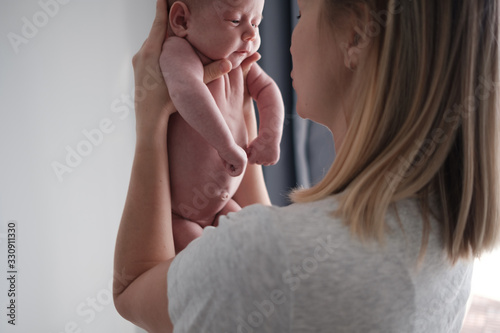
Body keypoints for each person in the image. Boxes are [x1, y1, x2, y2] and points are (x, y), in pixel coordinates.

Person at [113, 0, 500, 332]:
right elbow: (265, 263)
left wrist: (150, 122)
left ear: (357, 36)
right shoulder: (445, 235)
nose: (286, 40)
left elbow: (132, 290)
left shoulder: (272, 256)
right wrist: (243, 122)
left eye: (301, 15)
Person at [161, 0, 284, 253]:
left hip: (224, 205)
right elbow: (187, 90)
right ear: (183, 21)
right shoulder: (179, 52)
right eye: (236, 21)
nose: (251, 34)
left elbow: (268, 89)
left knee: (262, 248)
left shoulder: (239, 63)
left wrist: (270, 137)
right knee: (203, 263)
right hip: (182, 216)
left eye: (256, 23)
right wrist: (226, 146)